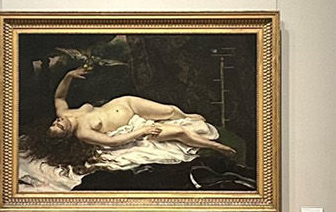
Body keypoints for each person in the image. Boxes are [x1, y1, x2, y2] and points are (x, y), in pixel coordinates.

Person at [48, 65, 235, 156]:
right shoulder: (83, 133)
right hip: (133, 125)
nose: (58, 121)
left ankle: (185, 116)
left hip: (127, 103)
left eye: (55, 123)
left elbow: (59, 98)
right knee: (178, 131)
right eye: (60, 127)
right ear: (67, 135)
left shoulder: (65, 113)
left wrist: (68, 76)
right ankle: (216, 146)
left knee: (171, 110)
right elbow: (113, 141)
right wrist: (142, 131)